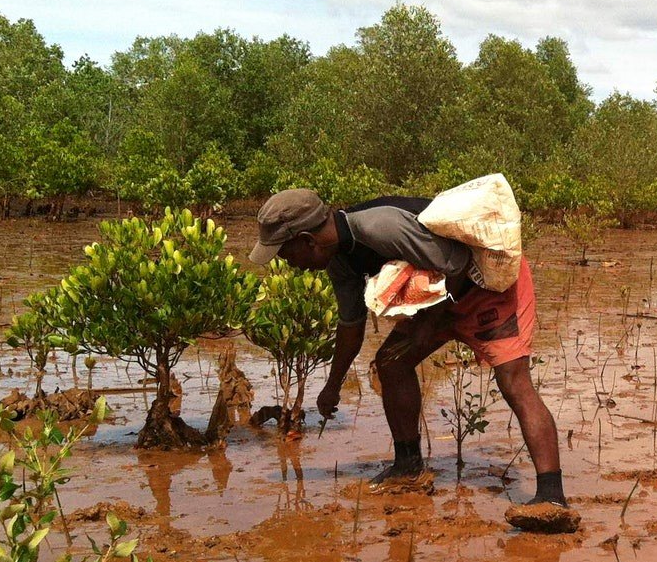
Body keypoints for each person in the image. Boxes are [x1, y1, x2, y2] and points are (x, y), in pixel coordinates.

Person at [248, 188, 580, 533]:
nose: (291, 265)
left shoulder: (381, 227)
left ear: (307, 241)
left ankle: (552, 496)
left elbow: (456, 264)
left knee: (514, 381)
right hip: (436, 303)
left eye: (287, 255)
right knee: (392, 364)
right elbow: (351, 325)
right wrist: (332, 386)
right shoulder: (340, 261)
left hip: (485, 290)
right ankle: (408, 465)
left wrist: (429, 325)